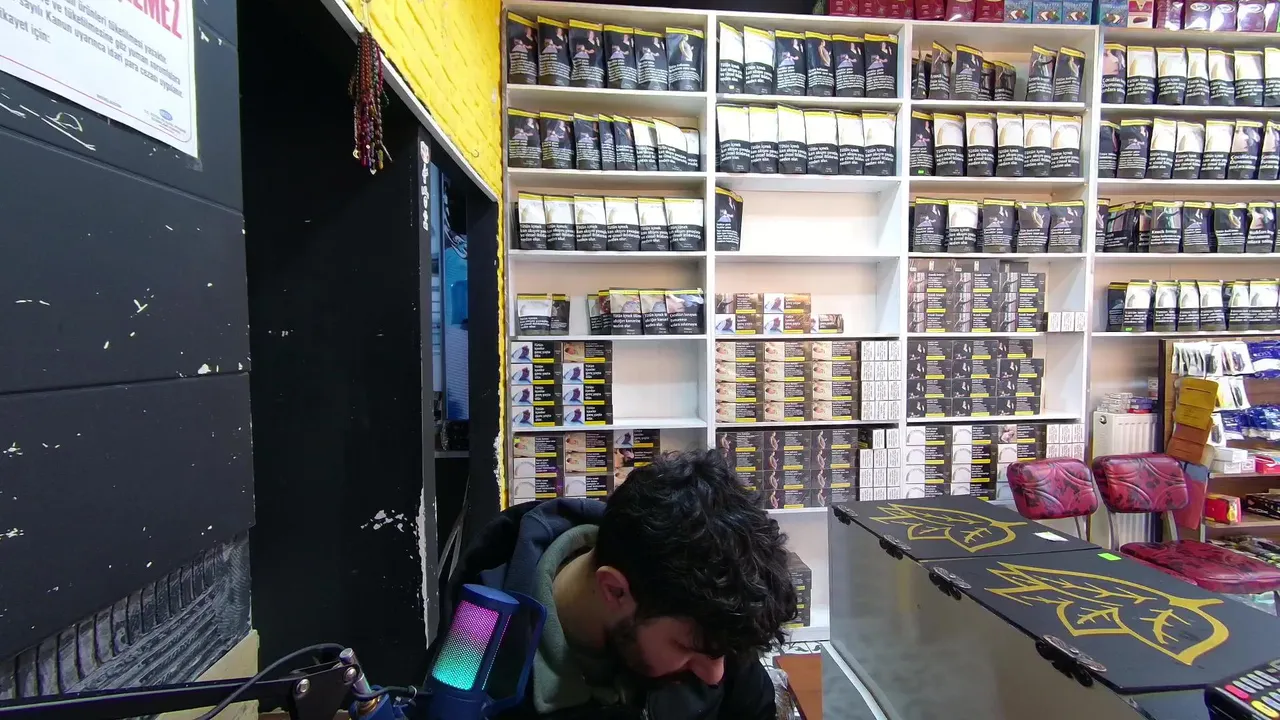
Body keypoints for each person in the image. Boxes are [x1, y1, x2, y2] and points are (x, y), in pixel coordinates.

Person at [433, 450, 797, 719]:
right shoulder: (475, 645)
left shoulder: (715, 624)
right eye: (686, 648)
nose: (715, 676)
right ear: (614, 590)